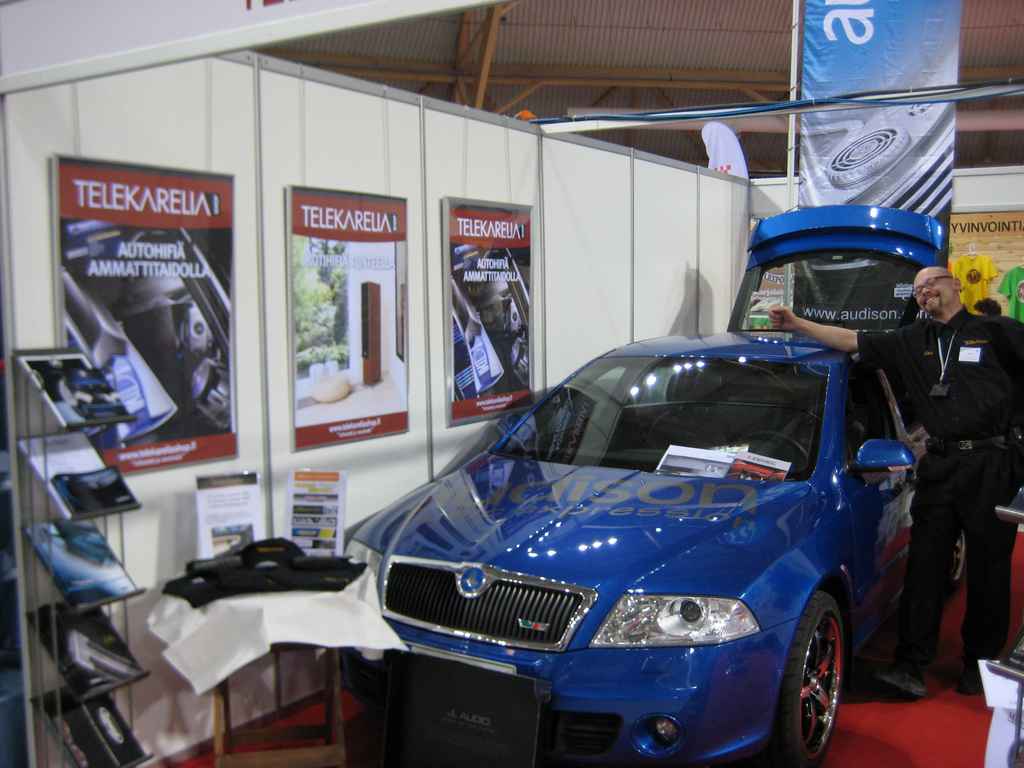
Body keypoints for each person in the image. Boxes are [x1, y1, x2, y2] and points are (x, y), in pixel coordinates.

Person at [769, 266, 1024, 699]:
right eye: (919, 288)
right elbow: (850, 339)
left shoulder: (996, 332)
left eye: (933, 283)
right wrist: (796, 323)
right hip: (940, 464)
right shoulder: (910, 340)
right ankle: (910, 666)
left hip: (992, 463)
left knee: (990, 570)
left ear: (955, 284)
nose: (926, 292)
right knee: (924, 568)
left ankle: (978, 665)